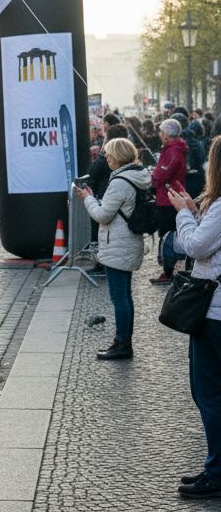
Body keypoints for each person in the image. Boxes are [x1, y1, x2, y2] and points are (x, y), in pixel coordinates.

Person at [166, 142, 221, 497]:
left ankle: (216, 472)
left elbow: (197, 247)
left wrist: (183, 214)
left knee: (209, 393)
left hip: (215, 312)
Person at [75, 138, 150, 360]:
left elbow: (102, 215)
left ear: (116, 156)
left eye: (107, 155)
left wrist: (88, 199)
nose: (105, 159)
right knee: (125, 296)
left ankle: (122, 344)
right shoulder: (138, 175)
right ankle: (124, 341)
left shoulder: (119, 182)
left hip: (118, 243)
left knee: (119, 297)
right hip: (128, 241)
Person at [150, 118, 187, 285]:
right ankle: (168, 266)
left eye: (161, 131)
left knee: (166, 234)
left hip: (168, 198)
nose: (159, 134)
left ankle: (168, 269)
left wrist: (154, 176)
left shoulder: (173, 151)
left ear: (166, 134)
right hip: (169, 195)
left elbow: (161, 174)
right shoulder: (171, 149)